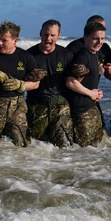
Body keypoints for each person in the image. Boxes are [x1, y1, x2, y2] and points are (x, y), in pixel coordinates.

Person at [0, 21, 40, 146]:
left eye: (4, 40)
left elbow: (36, 83)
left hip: (17, 106)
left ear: (15, 41)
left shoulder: (25, 57)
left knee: (19, 145)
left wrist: (21, 85)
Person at [26, 19, 74, 147]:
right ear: (40, 33)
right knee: (34, 146)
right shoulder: (29, 55)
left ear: (58, 36)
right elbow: (21, 81)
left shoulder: (66, 55)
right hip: (36, 105)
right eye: (46, 34)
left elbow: (73, 82)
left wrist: (81, 73)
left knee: (65, 147)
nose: (48, 38)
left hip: (60, 105)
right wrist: (30, 77)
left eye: (52, 35)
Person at [64, 21, 107, 146]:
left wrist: (96, 93)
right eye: (95, 38)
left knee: (95, 148)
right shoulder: (83, 56)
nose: (99, 42)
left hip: (90, 107)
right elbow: (70, 82)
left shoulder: (93, 54)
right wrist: (90, 93)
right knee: (83, 149)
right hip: (81, 110)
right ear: (86, 38)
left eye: (102, 38)